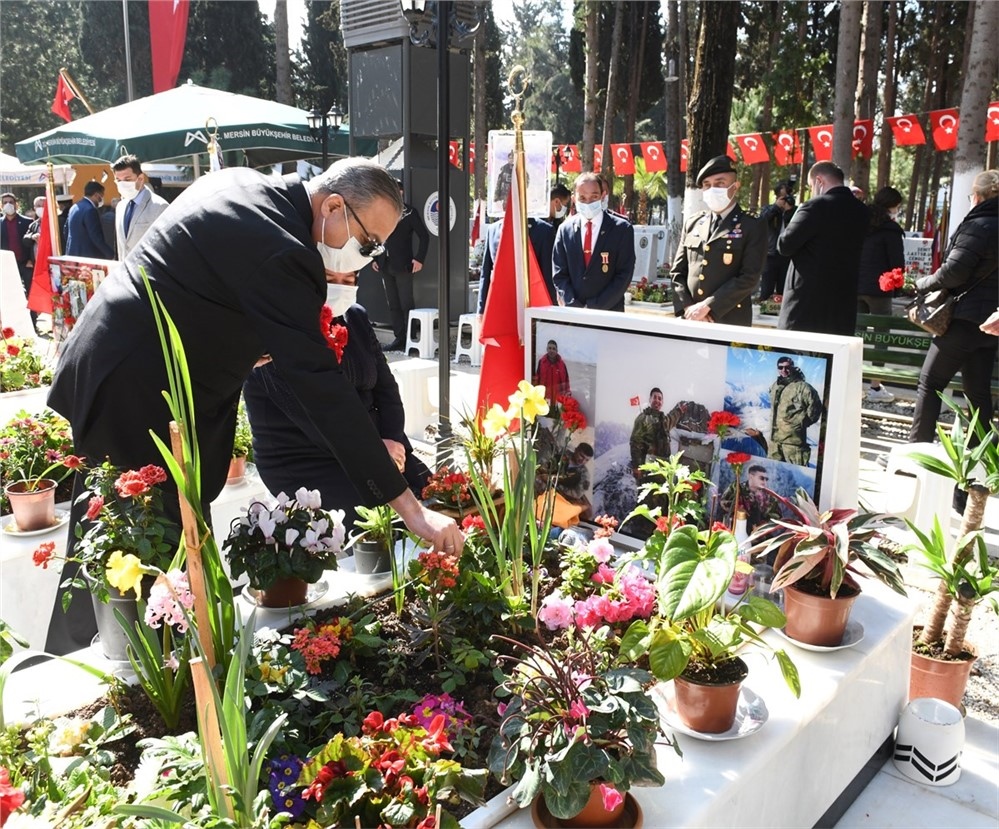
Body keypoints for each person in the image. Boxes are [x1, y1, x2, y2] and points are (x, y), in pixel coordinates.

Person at [49, 157, 463, 554]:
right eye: (368, 242)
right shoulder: (285, 249)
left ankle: (115, 629)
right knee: (142, 551)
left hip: (113, 365)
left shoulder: (244, 185)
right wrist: (411, 510)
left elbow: (201, 294)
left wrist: (245, 348)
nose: (367, 256)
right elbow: (321, 389)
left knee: (129, 544)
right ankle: (130, 631)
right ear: (333, 205)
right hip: (136, 394)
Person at [243, 269, 431, 531]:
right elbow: (314, 414)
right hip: (307, 454)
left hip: (377, 442)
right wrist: (376, 455)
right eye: (331, 279)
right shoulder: (277, 326)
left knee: (439, 496)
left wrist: (393, 439)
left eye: (349, 281)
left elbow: (386, 388)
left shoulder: (355, 316)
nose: (340, 288)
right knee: (384, 527)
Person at [909, 169, 998, 444]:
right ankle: (979, 457)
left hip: (963, 319)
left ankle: (918, 453)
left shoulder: (978, 225)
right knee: (978, 392)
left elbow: (954, 272)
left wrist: (922, 283)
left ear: (978, 196)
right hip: (992, 323)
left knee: (930, 383)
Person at [669, 154, 767, 326]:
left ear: (735, 187)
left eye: (719, 183)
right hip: (691, 319)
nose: (712, 189)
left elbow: (749, 277)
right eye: (707, 185)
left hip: (729, 320)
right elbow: (677, 272)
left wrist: (708, 306)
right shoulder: (693, 223)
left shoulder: (752, 225)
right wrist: (687, 307)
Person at [777, 161, 870, 335]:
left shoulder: (814, 206)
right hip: (842, 298)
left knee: (798, 356)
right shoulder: (862, 210)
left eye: (811, 185)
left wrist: (799, 210)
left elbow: (784, 245)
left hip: (806, 300)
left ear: (819, 181)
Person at [552, 172, 635, 311]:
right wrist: (573, 305)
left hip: (608, 315)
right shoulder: (564, 230)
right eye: (582, 198)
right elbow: (559, 274)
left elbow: (624, 275)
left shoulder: (622, 229)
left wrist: (594, 307)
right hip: (573, 316)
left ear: (603, 196)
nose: (588, 202)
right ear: (574, 199)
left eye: (594, 197)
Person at [857, 186, 905, 403]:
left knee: (855, 336)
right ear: (892, 206)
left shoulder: (860, 223)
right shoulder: (891, 229)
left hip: (855, 288)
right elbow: (897, 263)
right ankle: (875, 386)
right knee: (880, 338)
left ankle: (852, 381)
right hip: (880, 290)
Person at [371, 179, 429, 350]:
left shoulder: (410, 212)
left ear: (402, 193)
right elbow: (375, 236)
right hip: (384, 264)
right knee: (393, 304)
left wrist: (419, 259)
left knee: (406, 303)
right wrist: (375, 258)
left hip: (404, 265)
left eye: (397, 191)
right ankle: (399, 338)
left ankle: (411, 339)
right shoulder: (381, 213)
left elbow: (424, 236)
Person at [768, 356, 824, 466]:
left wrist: (800, 423)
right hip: (774, 442)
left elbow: (816, 407)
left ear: (793, 367)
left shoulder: (803, 387)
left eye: (787, 367)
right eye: (780, 367)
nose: (784, 370)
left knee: (797, 475)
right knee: (774, 474)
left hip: (793, 444)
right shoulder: (776, 385)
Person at [112, 153, 169, 260]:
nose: (122, 184)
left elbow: (166, 248)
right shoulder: (120, 207)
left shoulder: (159, 206)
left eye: (127, 179)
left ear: (141, 178)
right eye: (118, 180)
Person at [758, 181, 795, 301]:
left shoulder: (796, 211)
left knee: (784, 287)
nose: (786, 200)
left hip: (787, 255)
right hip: (771, 254)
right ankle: (765, 307)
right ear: (777, 197)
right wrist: (776, 208)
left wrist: (789, 211)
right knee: (767, 286)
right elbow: (761, 221)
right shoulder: (768, 209)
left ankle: (781, 312)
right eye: (784, 197)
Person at [719, 463, 782, 533]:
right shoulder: (736, 488)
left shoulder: (769, 496)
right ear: (751, 476)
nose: (764, 482)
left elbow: (777, 516)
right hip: (735, 529)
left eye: (766, 479)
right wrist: (738, 509)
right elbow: (723, 502)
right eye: (761, 478)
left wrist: (764, 525)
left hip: (759, 535)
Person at [1, 192, 34, 310]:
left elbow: (32, 244)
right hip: (6, 265)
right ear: (1, 206)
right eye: (5, 203)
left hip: (25, 263)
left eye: (11, 202)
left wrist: (31, 259)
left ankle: (33, 320)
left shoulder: (27, 222)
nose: (8, 205)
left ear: (16, 204)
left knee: (30, 292)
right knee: (9, 293)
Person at [66, 181, 114, 259]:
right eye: (101, 196)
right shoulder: (90, 210)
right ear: (96, 195)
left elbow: (66, 231)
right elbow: (95, 236)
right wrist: (110, 254)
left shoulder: (74, 207)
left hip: (73, 253)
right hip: (88, 256)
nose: (102, 199)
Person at [533, 339, 570, 406]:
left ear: (557, 351)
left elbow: (566, 381)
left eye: (553, 348)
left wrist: (567, 394)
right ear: (547, 349)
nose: (551, 350)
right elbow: (537, 378)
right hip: (545, 397)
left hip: (558, 399)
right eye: (549, 348)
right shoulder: (541, 362)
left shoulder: (562, 365)